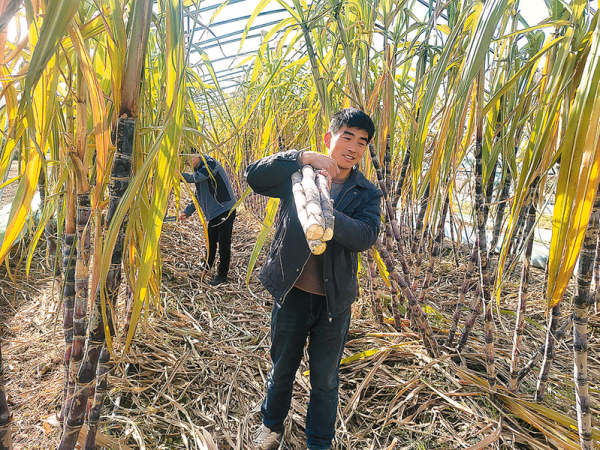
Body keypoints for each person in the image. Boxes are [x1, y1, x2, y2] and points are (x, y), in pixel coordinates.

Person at [245, 108, 382, 450]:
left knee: (324, 379)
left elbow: (366, 236)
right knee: (282, 368)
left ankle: (319, 443)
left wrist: (324, 212)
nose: (353, 147)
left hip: (333, 303)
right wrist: (301, 157)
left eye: (362, 142)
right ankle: (271, 427)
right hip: (292, 293)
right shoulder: (299, 175)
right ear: (329, 138)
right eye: (347, 137)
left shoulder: (365, 192)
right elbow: (254, 177)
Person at [180, 151, 237, 286]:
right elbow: (199, 195)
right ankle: (206, 268)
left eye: (187, 159)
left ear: (195, 154)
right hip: (214, 213)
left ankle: (222, 275)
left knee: (223, 244)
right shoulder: (199, 169)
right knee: (210, 242)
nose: (186, 163)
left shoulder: (210, 164)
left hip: (225, 210)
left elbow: (197, 178)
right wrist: (187, 212)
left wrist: (175, 175)